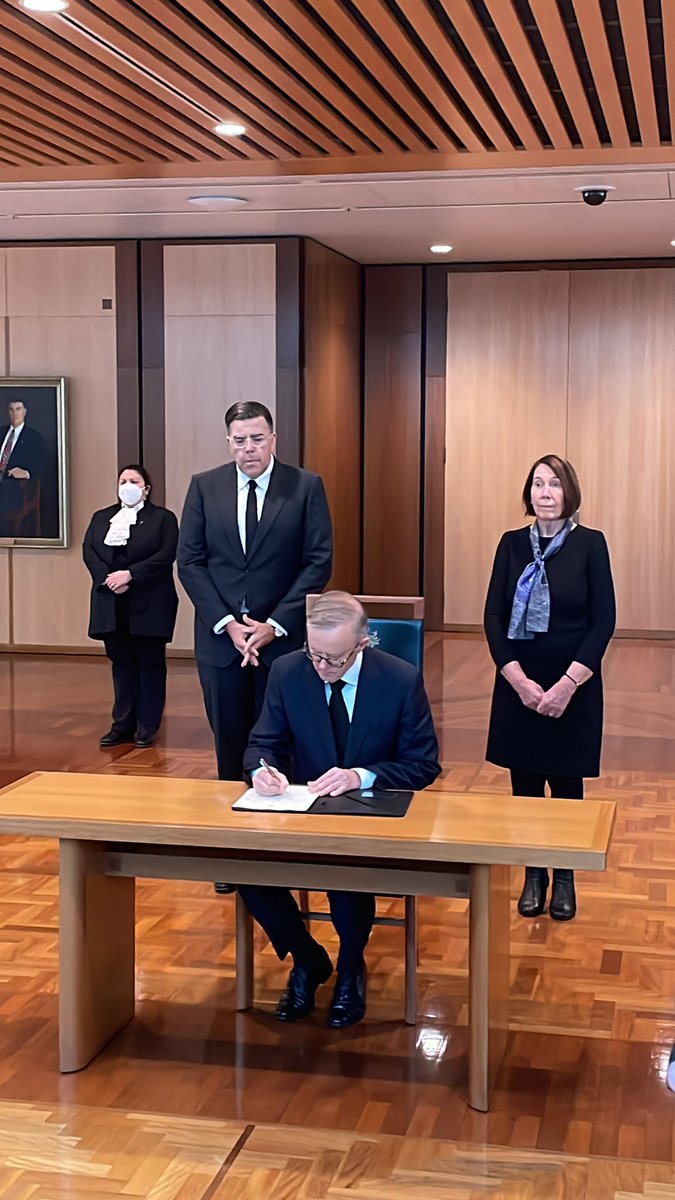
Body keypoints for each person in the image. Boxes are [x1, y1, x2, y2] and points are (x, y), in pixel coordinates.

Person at [237, 591, 441, 1028]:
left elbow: (423, 765)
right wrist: (260, 771)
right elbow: (261, 743)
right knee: (242, 867)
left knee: (346, 876)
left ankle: (351, 968)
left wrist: (361, 775)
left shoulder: (400, 680)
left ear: (363, 644)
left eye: (334, 659)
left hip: (369, 812)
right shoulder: (289, 671)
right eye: (314, 654)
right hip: (301, 807)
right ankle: (309, 959)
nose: (321, 668)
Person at [484, 454, 615, 922]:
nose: (544, 492)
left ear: (568, 493)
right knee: (524, 785)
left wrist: (565, 685)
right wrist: (517, 680)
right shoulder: (511, 544)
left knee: (565, 785)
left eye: (554, 484)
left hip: (572, 685)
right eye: (537, 484)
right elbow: (494, 616)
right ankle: (532, 874)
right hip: (520, 683)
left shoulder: (591, 545)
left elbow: (604, 621)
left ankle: (565, 876)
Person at [177, 401, 333, 783]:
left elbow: (318, 561)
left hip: (282, 641)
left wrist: (274, 624)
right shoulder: (204, 486)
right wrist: (228, 623)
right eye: (241, 440)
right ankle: (230, 826)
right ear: (229, 442)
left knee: (285, 740)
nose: (250, 448)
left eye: (258, 439)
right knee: (229, 744)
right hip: (222, 643)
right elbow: (190, 562)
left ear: (273, 439)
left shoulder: (305, 486)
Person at [83, 464, 179, 749]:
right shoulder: (102, 518)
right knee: (121, 664)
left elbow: (166, 555)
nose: (127, 484)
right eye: (123, 480)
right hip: (110, 601)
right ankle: (122, 724)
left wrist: (131, 575)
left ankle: (148, 725)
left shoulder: (163, 518)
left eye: (134, 480)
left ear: (146, 488)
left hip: (149, 601)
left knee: (149, 664)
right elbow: (89, 550)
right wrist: (108, 579)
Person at [0, 399, 47, 536]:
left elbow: (42, 465)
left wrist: (26, 473)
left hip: (16, 489)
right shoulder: (1, 433)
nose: (15, 413)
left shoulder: (34, 438)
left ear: (25, 411)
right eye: (11, 409)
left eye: (18, 409)